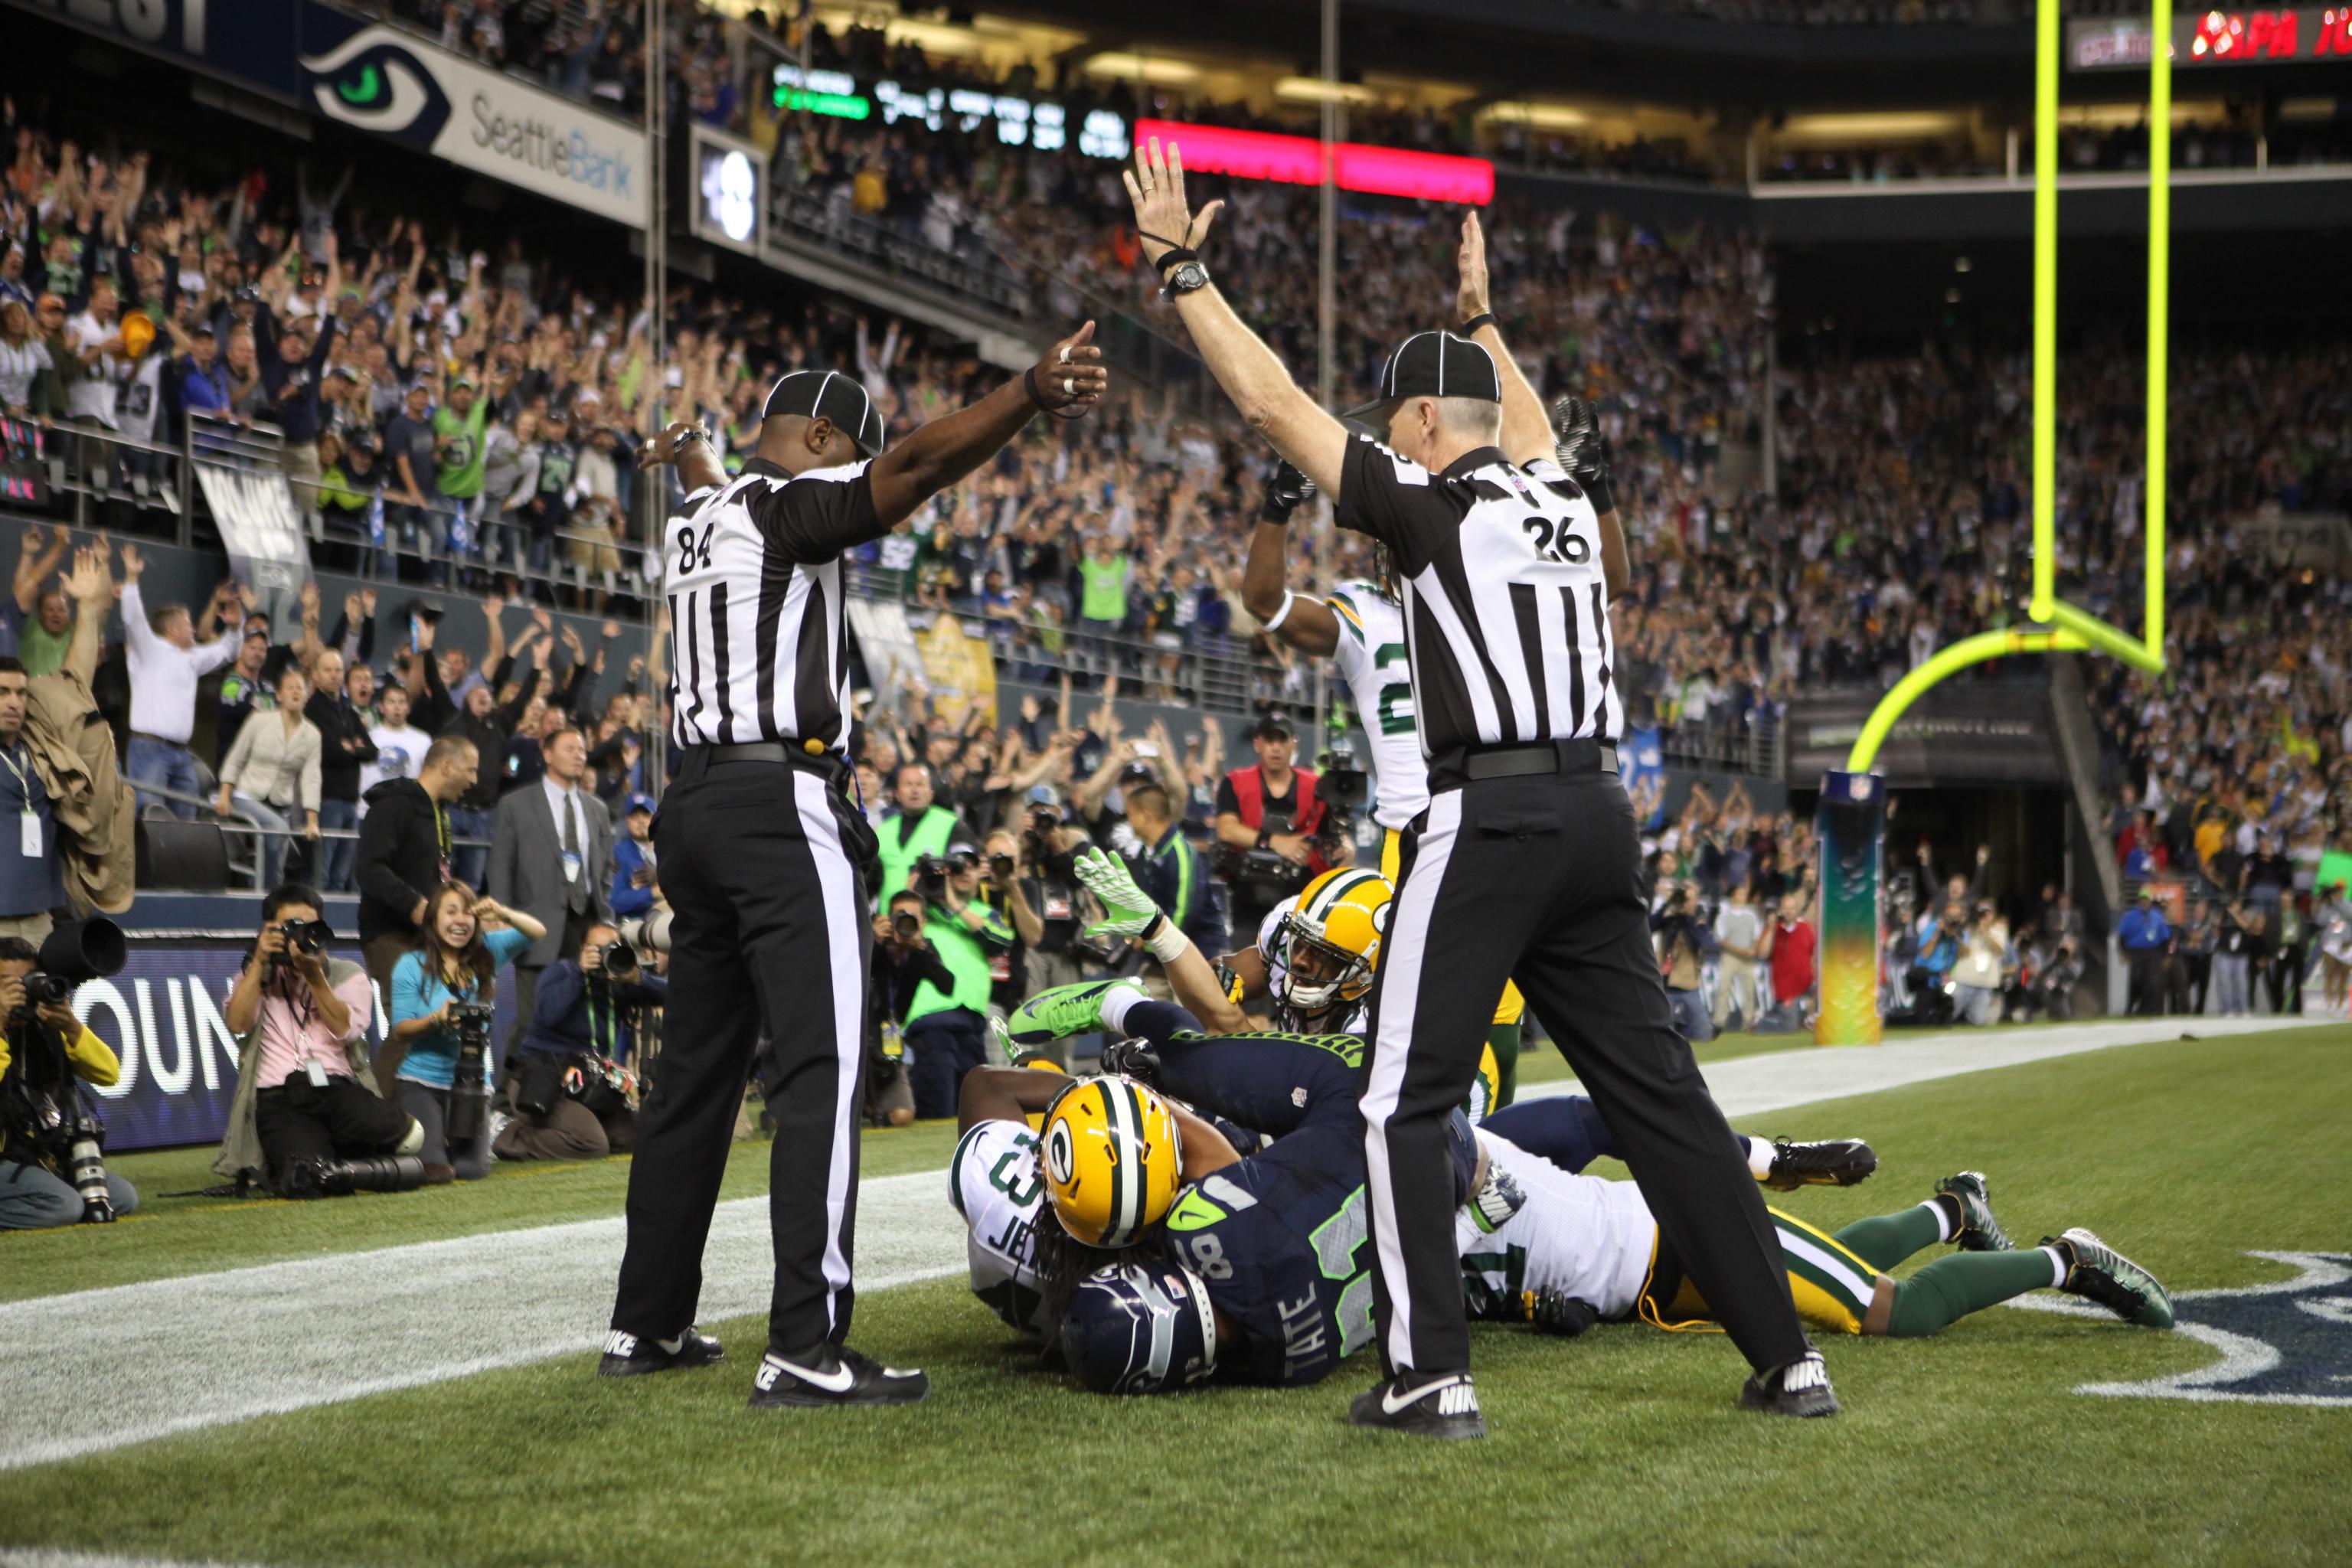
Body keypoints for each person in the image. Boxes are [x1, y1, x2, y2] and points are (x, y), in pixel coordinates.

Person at [1122, 152, 1823, 1431]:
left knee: (1399, 1098)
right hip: (1597, 819)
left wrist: (1181, 270)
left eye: (1396, 422)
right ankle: (1787, 1359)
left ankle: (1428, 1372)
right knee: (1665, 1102)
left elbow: (1275, 402)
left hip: (1485, 816)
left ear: (1428, 427)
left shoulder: (1433, 503)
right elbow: (1534, 424)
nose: (1389, 440)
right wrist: (1488, 318)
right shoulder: (1556, 494)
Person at [606, 320, 1106, 1406]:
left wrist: (693, 447)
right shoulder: (792, 507)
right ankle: (805, 1343)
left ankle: (645, 1325)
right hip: (778, 802)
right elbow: (918, 464)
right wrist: (1026, 392)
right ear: (824, 436)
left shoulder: (702, 513)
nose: (858, 480)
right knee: (823, 1073)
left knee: (693, 1079)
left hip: (689, 807)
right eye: (849, 453)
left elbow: (711, 475)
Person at [217, 884, 422, 1191]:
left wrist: (315, 978)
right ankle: (350, 1164)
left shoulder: (347, 974)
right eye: (291, 928)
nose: (301, 936)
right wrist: (259, 963)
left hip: (336, 1090)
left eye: (310, 927)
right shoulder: (255, 976)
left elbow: (347, 1029)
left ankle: (340, 1158)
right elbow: (238, 1023)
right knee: (306, 1179)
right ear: (269, 931)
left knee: (408, 1133)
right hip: (279, 1098)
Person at [384, 882, 544, 1184]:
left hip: (471, 1082)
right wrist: (436, 1019)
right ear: (432, 920)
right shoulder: (411, 964)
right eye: (451, 912)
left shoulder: (487, 953)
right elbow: (401, 1030)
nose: (460, 920)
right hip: (422, 1082)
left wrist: (503, 913)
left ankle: (474, 1133)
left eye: (467, 913)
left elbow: (536, 932)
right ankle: (427, 1141)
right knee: (434, 1171)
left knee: (471, 1171)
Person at [355, 735, 479, 1086]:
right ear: (446, 765)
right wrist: (416, 906)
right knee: (408, 1028)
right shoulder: (394, 805)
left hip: (425, 938)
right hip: (390, 935)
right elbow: (369, 869)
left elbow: (436, 873)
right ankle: (378, 1126)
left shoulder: (438, 813)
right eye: (470, 770)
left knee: (433, 1025)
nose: (474, 781)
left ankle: (417, 1121)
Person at [487, 724, 614, 1054]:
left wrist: (606, 918)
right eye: (570, 748)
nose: (579, 756)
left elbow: (602, 871)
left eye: (583, 750)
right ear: (547, 754)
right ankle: (508, 1096)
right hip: (535, 924)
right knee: (533, 1018)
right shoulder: (516, 805)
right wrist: (503, 916)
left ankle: (567, 1094)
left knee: (580, 1016)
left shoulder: (597, 809)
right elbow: (501, 864)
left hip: (586, 924)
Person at [0, 934, 139, 1228]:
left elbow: (109, 1073)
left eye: (27, 981)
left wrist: (71, 1026)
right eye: (7, 983)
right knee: (64, 1206)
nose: (20, 991)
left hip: (36, 1155)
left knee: (121, 1197)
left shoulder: (42, 1028)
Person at [497, 920, 660, 1162]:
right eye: (596, 948)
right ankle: (511, 1136)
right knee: (592, 1145)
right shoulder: (562, 972)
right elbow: (548, 1014)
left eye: (611, 948)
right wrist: (579, 973)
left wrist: (638, 978)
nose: (604, 955)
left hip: (588, 1085)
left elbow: (674, 995)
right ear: (582, 949)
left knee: (640, 1138)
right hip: (542, 1082)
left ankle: (575, 1129)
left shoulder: (618, 981)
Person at [119, 545, 246, 818]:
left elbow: (228, 651)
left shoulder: (191, 657)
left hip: (182, 754)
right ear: (172, 629)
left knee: (185, 826)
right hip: (149, 750)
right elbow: (133, 618)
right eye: (188, 624)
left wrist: (235, 627)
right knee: (150, 822)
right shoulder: (148, 649)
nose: (193, 629)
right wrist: (131, 578)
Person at [902, 849, 1015, 1120]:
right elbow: (897, 926)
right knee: (938, 1108)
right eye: (956, 868)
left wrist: (953, 904)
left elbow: (1001, 941)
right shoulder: (921, 911)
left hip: (972, 1021)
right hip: (931, 1018)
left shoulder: (985, 913)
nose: (964, 872)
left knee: (975, 1111)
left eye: (971, 866)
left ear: (981, 875)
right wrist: (912, 889)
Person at [216, 663, 323, 893]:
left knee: (279, 837)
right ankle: (269, 892)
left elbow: (312, 778)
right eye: (290, 688)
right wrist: (225, 794)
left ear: (307, 695)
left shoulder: (312, 734)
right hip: (247, 794)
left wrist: (312, 819)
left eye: (300, 688)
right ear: (279, 695)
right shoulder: (259, 720)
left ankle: (269, 892)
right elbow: (236, 757)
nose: (295, 692)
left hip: (279, 803)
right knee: (279, 829)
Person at [1213, 714, 1322, 937]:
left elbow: (1331, 834)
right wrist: (1275, 842)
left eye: (1282, 741)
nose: (1276, 748)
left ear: (1293, 744)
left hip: (1299, 897)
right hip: (1248, 895)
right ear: (1257, 744)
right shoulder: (1236, 781)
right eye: (1269, 740)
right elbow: (1226, 828)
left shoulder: (1315, 786)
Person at [0, 657, 64, 944]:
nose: (13, 703)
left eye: (21, 693)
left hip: (40, 917)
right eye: (2, 692)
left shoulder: (43, 752)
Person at [304, 648, 376, 893]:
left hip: (350, 801)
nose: (334, 675)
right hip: (327, 798)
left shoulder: (348, 710)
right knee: (321, 874)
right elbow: (331, 751)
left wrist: (352, 749)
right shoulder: (313, 709)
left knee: (341, 874)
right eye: (328, 670)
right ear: (316, 675)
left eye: (338, 670)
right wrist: (354, 748)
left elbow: (372, 752)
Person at [875, 761, 972, 916]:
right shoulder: (882, 830)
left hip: (933, 921)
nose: (914, 790)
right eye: (908, 784)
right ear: (897, 793)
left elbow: (967, 871)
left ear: (931, 792)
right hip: (888, 923)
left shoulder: (952, 825)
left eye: (920, 784)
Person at [363, 679, 433, 797]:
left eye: (402, 702)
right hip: (374, 806)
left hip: (410, 807)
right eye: (391, 702)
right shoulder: (369, 738)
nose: (397, 707)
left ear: (409, 708)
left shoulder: (423, 740)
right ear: (381, 707)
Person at [2118, 892, 2172, 1017]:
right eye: (2142, 900)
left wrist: (2165, 955)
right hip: (2136, 952)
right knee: (2136, 980)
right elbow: (2122, 936)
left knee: (2152, 981)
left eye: (2146, 900)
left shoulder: (2157, 916)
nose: (2144, 902)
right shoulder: (2130, 916)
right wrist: (2123, 951)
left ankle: (2147, 1008)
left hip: (2153, 952)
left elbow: (2165, 937)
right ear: (2138, 901)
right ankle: (2131, 1007)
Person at [609, 793, 660, 921]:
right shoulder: (618, 853)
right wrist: (653, 892)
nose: (641, 821)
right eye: (635, 816)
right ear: (627, 821)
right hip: (637, 924)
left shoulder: (671, 849)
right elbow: (615, 901)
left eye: (646, 815)